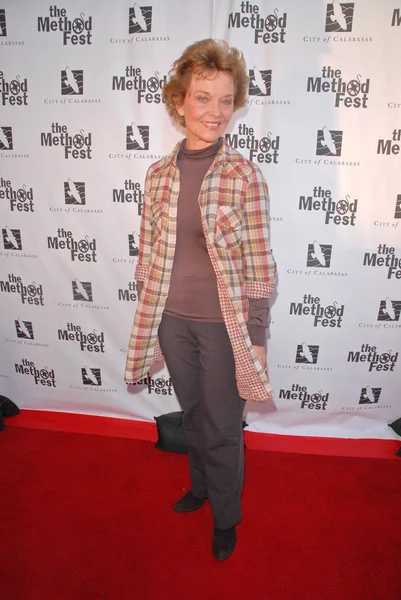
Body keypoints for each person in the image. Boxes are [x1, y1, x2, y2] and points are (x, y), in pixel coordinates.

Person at [125, 39, 277, 561]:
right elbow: (149, 252)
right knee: (192, 416)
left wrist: (255, 336)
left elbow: (258, 264)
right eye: (203, 97)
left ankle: (226, 515)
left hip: (222, 326)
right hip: (171, 320)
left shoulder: (244, 176)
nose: (215, 111)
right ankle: (200, 487)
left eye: (226, 99)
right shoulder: (158, 175)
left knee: (222, 425)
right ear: (180, 102)